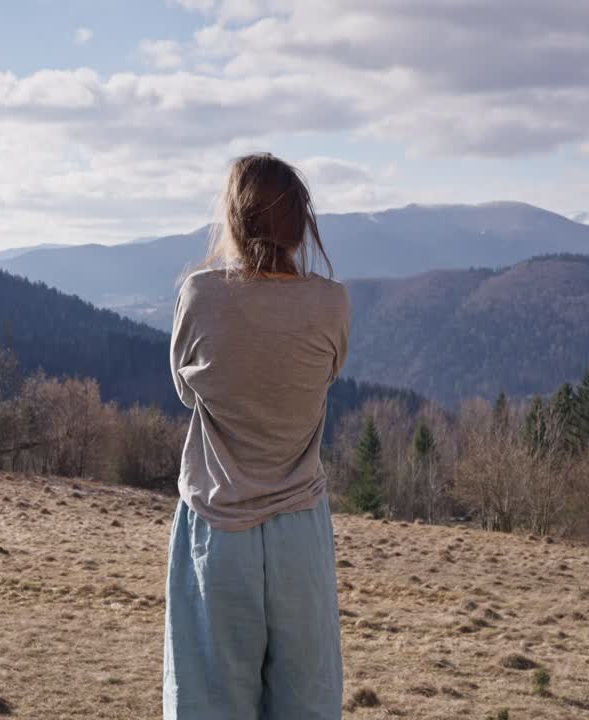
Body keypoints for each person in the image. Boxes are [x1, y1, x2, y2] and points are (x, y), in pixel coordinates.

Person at [164, 153, 350, 719]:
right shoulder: (331, 303)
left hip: (218, 526)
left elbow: (185, 389)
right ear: (301, 224)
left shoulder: (201, 294)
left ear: (235, 220)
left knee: (207, 703)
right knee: (306, 704)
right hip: (299, 529)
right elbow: (326, 377)